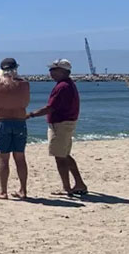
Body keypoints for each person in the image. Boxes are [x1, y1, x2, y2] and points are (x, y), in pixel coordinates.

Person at [27, 59, 87, 196]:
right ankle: (79, 183)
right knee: (64, 155)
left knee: (60, 157)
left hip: (60, 124)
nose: (51, 73)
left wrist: (30, 115)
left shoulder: (62, 87)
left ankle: (67, 188)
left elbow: (51, 107)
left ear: (63, 71)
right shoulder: (67, 84)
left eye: (54, 70)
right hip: (66, 123)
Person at [0, 58, 30, 199]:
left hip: (3, 122)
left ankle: (3, 191)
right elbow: (25, 103)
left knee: (3, 159)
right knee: (20, 157)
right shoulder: (24, 85)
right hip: (19, 122)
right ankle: (23, 190)